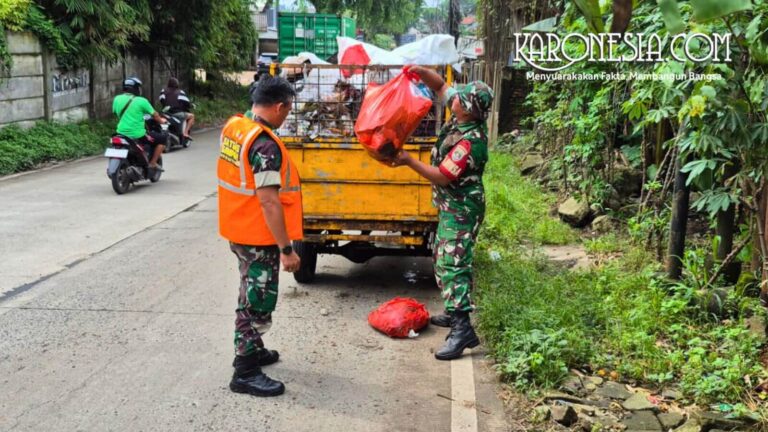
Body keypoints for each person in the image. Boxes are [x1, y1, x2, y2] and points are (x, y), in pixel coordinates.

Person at [393, 66, 494, 361]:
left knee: (454, 264)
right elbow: (440, 87)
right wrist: (419, 70)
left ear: (468, 109)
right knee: (443, 256)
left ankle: (463, 329)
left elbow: (442, 176)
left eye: (460, 98)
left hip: (463, 209)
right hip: (452, 206)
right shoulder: (461, 113)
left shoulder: (470, 142)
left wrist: (409, 161)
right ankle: (454, 312)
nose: (454, 98)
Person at [217, 76, 303, 397]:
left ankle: (254, 350)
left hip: (238, 229)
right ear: (279, 107)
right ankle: (246, 370)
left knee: (247, 290)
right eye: (288, 110)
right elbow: (269, 200)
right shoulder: (265, 145)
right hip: (258, 236)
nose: (287, 116)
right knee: (256, 302)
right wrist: (286, 248)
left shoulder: (236, 127)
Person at [112, 77, 167, 170]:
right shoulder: (141, 101)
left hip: (120, 133)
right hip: (137, 134)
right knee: (162, 139)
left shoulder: (117, 99)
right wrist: (162, 121)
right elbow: (155, 115)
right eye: (138, 87)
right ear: (135, 88)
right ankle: (153, 163)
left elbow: (115, 113)